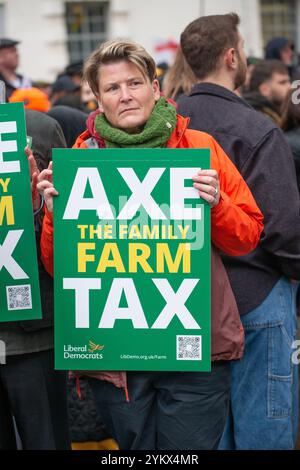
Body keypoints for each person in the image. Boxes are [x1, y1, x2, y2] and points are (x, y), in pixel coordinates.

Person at [37, 39, 263, 450]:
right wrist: (54, 213)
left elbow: (246, 236)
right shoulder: (81, 158)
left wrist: (216, 205)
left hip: (194, 353)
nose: (125, 96)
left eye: (135, 83)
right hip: (117, 358)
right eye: (112, 88)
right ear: (98, 98)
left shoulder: (198, 147)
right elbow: (59, 267)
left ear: (155, 89)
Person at [179, 13, 300, 450]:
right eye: (244, 47)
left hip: (184, 301)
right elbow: (285, 229)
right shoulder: (256, 128)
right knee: (264, 428)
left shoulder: (169, 125)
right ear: (232, 56)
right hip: (255, 296)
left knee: (210, 434)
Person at [0, 110, 70, 450]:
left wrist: (36, 206)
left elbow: (70, 223)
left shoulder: (37, 127)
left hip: (33, 336)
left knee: (48, 441)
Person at [243, 60, 291, 125]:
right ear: (264, 89)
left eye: (289, 81)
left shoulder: (274, 113)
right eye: (282, 83)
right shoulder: (258, 119)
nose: (290, 87)